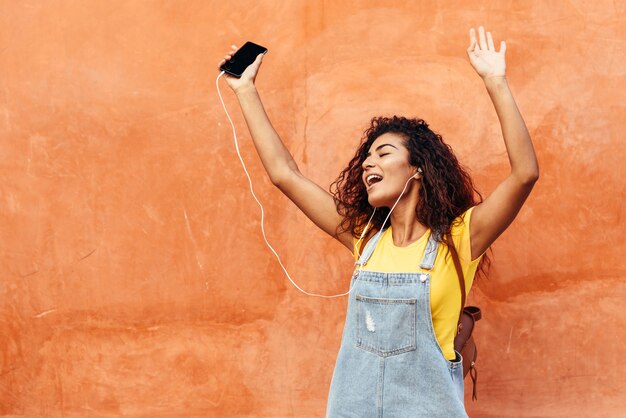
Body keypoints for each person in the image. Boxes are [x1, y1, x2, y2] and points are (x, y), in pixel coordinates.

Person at [218, 26, 538, 417]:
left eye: (384, 153)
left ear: (418, 169)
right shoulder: (366, 238)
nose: (369, 162)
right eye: (367, 157)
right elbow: (285, 174)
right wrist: (245, 90)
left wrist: (496, 81)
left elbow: (525, 174)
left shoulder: (460, 238)